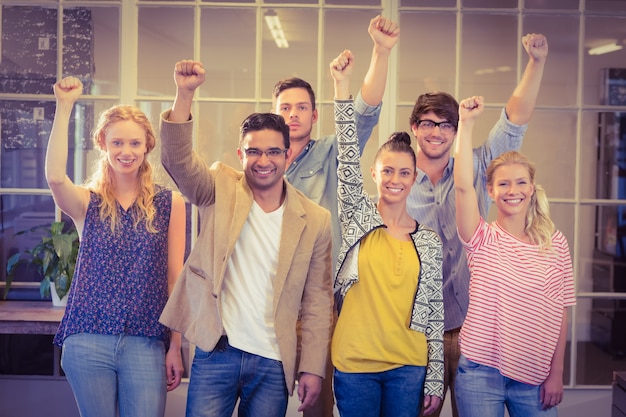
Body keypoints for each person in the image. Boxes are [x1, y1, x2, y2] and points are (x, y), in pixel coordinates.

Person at [158, 60, 333, 417]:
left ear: (287, 155)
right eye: (253, 151)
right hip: (216, 350)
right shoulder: (219, 186)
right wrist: (185, 94)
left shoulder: (315, 220)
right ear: (241, 155)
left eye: (273, 152)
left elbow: (317, 300)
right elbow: (177, 162)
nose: (263, 160)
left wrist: (313, 367)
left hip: (272, 361)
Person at [407, 33, 549, 417]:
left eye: (446, 124)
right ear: (414, 127)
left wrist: (536, 62)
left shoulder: (479, 164)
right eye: (427, 123)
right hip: (418, 330)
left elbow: (515, 118)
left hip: (478, 329)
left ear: (456, 129)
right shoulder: (398, 179)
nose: (436, 132)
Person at [274, 15, 399, 416]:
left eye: (302, 108)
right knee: (266, 401)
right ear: (275, 115)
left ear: (314, 115)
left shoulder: (332, 153)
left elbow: (364, 111)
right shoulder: (259, 165)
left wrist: (380, 52)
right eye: (285, 108)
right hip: (270, 299)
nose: (293, 114)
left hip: (321, 301)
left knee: (318, 406)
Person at [47, 76, 186, 417]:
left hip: (146, 341)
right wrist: (64, 107)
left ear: (147, 146)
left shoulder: (171, 203)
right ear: (103, 146)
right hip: (87, 338)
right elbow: (54, 177)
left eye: (135, 143)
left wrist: (176, 347)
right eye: (117, 143)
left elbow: (175, 279)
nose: (126, 152)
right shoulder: (86, 202)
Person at [331, 48, 444, 417]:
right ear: (375, 175)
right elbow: (348, 152)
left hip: (407, 367)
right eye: (388, 171)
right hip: (355, 364)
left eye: (404, 173)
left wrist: (434, 380)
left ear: (414, 178)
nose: (395, 180)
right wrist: (342, 86)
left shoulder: (426, 240)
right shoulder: (358, 216)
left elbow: (434, 315)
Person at [453, 95, 575, 416]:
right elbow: (464, 187)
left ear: (532, 187)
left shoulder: (555, 243)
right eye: (503, 184)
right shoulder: (481, 238)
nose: (513, 190)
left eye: (521, 182)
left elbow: (560, 312)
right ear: (490, 191)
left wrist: (557, 372)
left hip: (536, 376)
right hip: (480, 372)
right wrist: (465, 126)